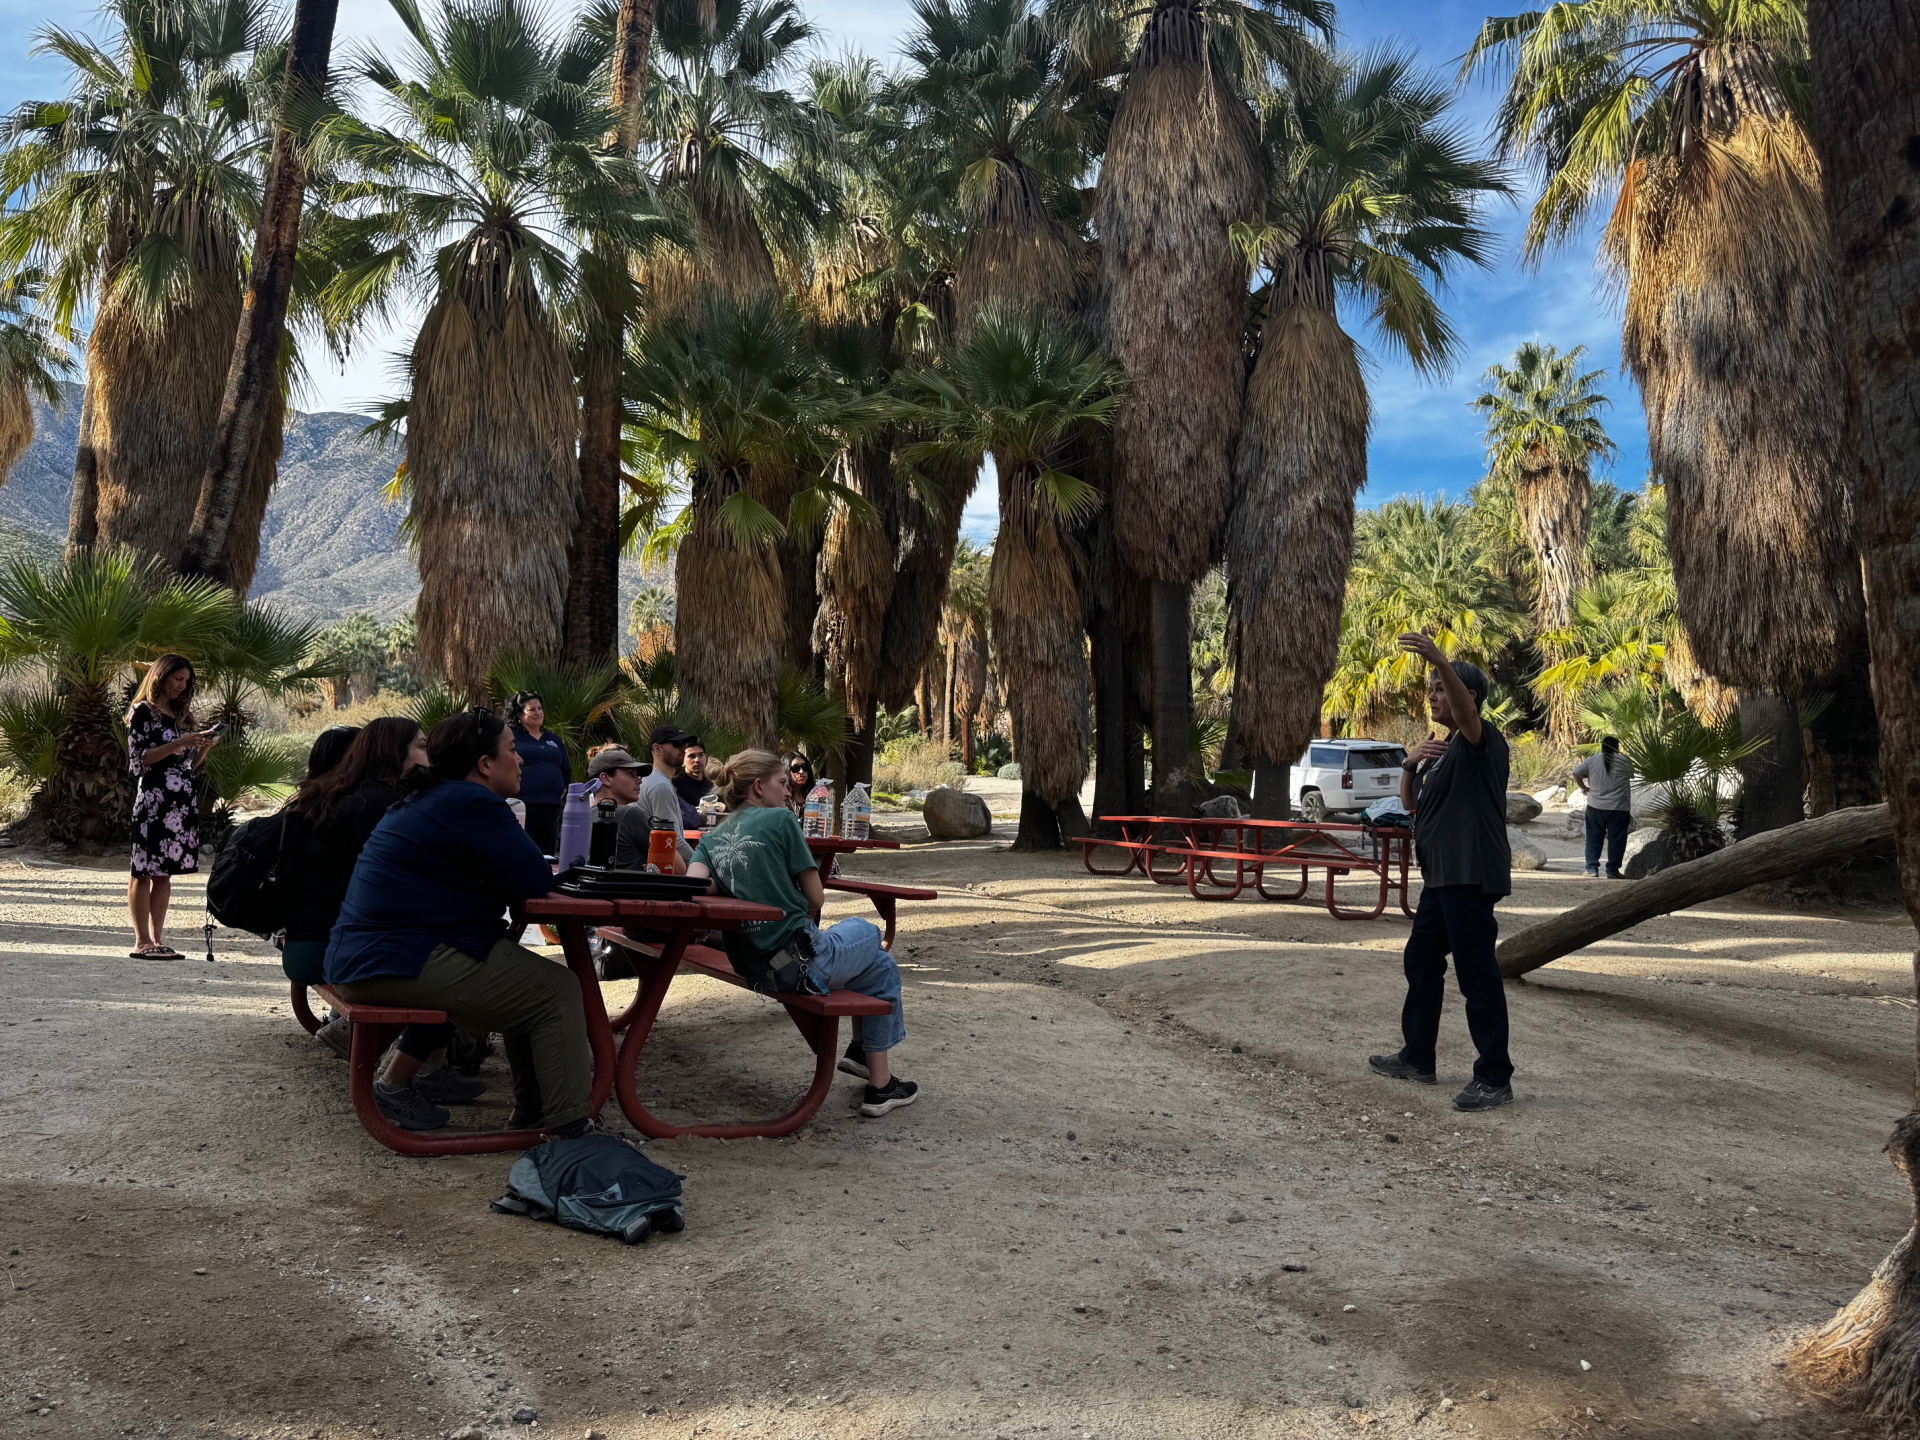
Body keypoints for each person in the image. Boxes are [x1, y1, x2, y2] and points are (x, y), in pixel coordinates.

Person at [325, 710, 597, 1138]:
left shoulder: (434, 797)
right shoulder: (470, 801)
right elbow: (532, 879)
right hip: (393, 958)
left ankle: (535, 1111)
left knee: (529, 979)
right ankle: (571, 1131)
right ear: (484, 764)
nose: (522, 758)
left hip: (369, 954)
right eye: (512, 749)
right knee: (558, 992)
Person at [688, 749, 919, 1117]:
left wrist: (732, 883)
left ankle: (878, 1082)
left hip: (759, 969)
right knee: (870, 932)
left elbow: (694, 888)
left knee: (881, 969)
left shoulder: (712, 838)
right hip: (802, 962)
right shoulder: (781, 821)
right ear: (759, 787)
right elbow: (816, 896)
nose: (786, 791)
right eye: (781, 782)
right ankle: (873, 1074)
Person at [282, 719, 484, 1119]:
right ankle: (396, 1083)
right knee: (451, 969)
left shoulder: (333, 794)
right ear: (397, 754)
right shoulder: (381, 805)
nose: (432, 758)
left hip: (303, 942)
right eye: (423, 747)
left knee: (439, 952)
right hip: (333, 949)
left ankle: (430, 1067)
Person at [1368, 634, 1515, 1113]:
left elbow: (1470, 718)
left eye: (1439, 688)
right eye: (1430, 688)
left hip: (1469, 875)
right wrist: (1410, 766)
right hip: (1441, 879)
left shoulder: (1481, 740)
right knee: (1421, 961)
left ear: (1466, 696)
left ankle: (1494, 1077)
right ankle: (1417, 1058)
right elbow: (1413, 807)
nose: (1432, 695)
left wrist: (1438, 658)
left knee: (1477, 975)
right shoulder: (1445, 749)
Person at [126, 653, 220, 960]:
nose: (182, 686)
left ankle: (158, 939)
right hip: (153, 800)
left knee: (164, 873)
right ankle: (141, 941)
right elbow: (139, 759)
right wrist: (178, 744)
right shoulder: (143, 712)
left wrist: (202, 749)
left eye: (187, 682)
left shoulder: (183, 717)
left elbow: (188, 768)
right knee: (142, 871)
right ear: (161, 676)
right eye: (178, 679)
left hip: (180, 802)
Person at [614, 726, 695, 873]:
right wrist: (700, 865)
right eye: (677, 744)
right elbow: (672, 842)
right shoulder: (660, 786)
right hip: (655, 869)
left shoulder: (650, 780)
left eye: (686, 744)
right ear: (657, 748)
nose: (683, 748)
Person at [507, 690, 570, 855]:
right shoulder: (512, 737)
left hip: (551, 805)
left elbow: (566, 769)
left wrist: (560, 790)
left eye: (540, 708)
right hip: (523, 805)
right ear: (520, 714)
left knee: (547, 852)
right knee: (524, 851)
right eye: (532, 709)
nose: (538, 712)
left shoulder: (553, 739)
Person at [1573, 736, 1632, 879]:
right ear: (1617, 747)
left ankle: (1592, 869)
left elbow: (1576, 773)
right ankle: (1612, 870)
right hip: (1619, 808)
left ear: (1602, 746)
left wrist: (1583, 787)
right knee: (1617, 840)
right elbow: (1631, 775)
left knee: (1594, 838)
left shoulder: (1592, 760)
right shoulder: (1625, 761)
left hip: (1596, 806)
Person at [673, 738, 711, 831]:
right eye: (692, 756)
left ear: (705, 758)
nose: (697, 760)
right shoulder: (674, 785)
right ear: (682, 761)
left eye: (700, 755)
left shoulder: (713, 785)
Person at [784, 752, 816, 816]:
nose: (801, 771)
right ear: (786, 771)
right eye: (795, 768)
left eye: (804, 767)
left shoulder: (814, 796)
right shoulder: (781, 798)